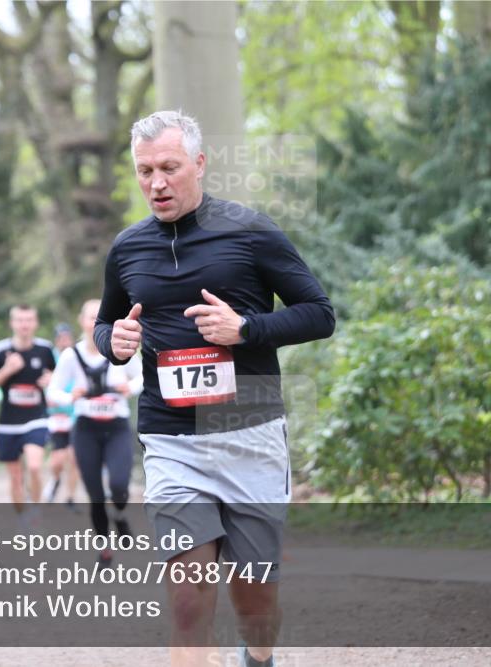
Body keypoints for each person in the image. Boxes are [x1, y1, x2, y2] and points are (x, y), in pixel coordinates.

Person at [93, 111, 335, 667]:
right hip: (172, 437)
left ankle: (258, 658)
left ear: (199, 164)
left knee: (254, 599)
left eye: (169, 168)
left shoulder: (251, 232)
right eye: (145, 170)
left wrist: (246, 328)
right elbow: (105, 325)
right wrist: (116, 339)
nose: (156, 183)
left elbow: (319, 314)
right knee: (187, 597)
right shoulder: (128, 248)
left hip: (249, 430)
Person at [48, 301, 142, 566]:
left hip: (117, 428)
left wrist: (130, 388)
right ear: (82, 321)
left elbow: (143, 375)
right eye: (91, 317)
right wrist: (70, 396)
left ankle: (121, 516)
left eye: (101, 316)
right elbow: (53, 391)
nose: (96, 321)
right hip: (86, 429)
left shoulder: (122, 349)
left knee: (119, 486)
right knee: (96, 496)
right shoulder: (71, 356)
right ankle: (104, 549)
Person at [0, 305, 55, 522]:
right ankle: (22, 518)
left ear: (36, 323)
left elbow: (60, 379)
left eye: (29, 320)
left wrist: (51, 380)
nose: (24, 325)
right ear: (12, 323)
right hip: (8, 422)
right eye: (20, 320)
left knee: (34, 466)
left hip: (36, 418)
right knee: (15, 477)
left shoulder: (45, 349)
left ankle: (36, 512)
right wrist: (7, 370)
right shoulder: (0, 350)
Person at [44, 322, 82, 508]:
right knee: (58, 459)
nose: (64, 341)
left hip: (75, 414)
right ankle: (55, 479)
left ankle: (70, 497)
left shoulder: (78, 356)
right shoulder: (50, 357)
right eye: (61, 338)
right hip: (56, 414)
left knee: (74, 457)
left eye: (67, 337)